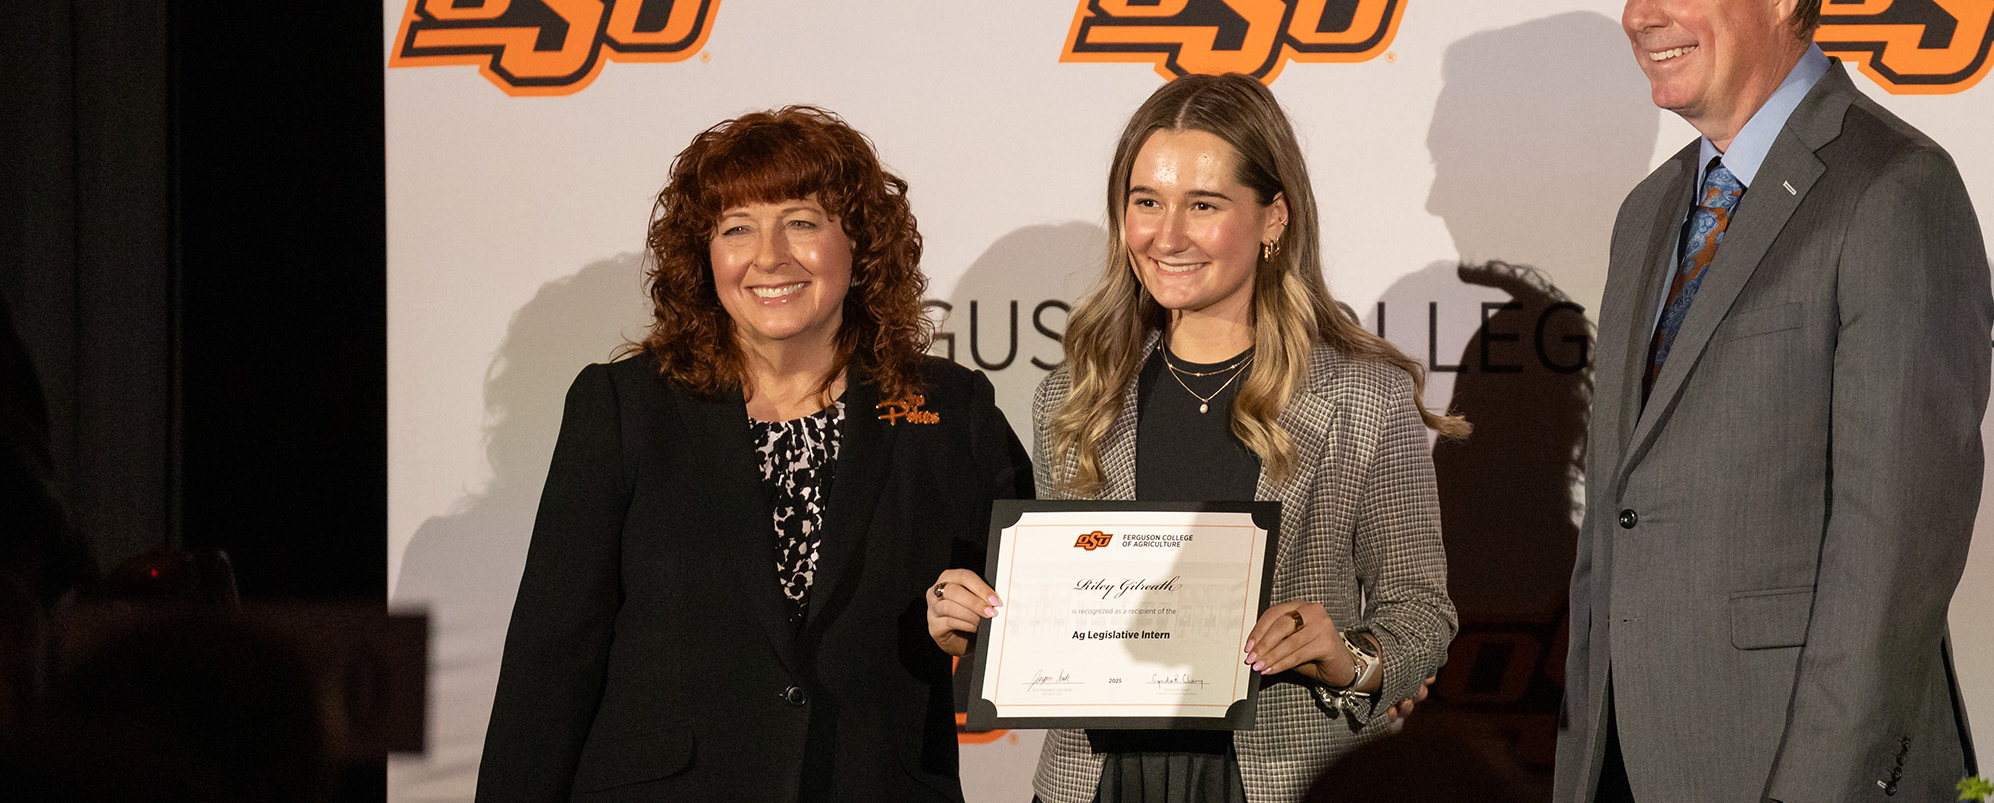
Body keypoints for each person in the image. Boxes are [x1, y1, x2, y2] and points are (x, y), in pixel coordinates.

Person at [1555, 0, 1991, 803]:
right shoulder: (1651, 209)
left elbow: (1896, 546)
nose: (1639, 13)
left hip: (1793, 763)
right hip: (1628, 761)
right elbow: (1619, 527)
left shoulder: (1893, 189)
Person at [925, 73, 1459, 803]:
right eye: (1146, 202)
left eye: (1202, 205)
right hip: (1096, 780)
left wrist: (1345, 658)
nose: (1165, 235)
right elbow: (1063, 617)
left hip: (1282, 777)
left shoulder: (1363, 397)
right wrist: (977, 629)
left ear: (1275, 217)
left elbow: (1421, 614)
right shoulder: (1074, 396)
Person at [476, 106, 1032, 803]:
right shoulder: (623, 407)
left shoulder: (952, 410)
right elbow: (551, 659)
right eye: (736, 228)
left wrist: (972, 632)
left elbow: (1029, 608)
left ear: (857, 243)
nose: (769, 257)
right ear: (704, 256)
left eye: (802, 221)